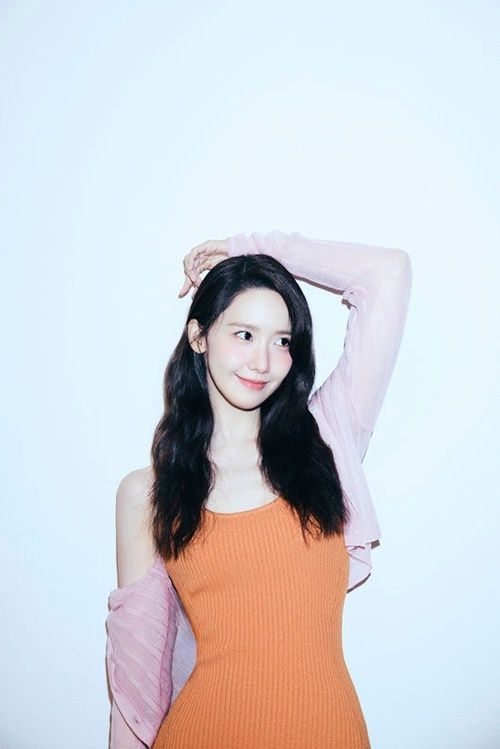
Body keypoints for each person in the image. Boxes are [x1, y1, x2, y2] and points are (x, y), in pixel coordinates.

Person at [106, 229, 412, 749]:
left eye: (282, 340)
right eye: (244, 334)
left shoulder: (326, 441)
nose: (263, 362)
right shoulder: (149, 492)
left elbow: (389, 274)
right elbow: (135, 684)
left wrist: (253, 248)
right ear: (199, 336)